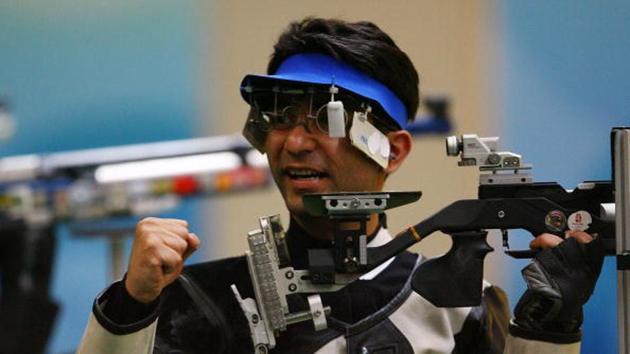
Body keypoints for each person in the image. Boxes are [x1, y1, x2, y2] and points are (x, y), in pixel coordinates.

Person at [77, 18, 604, 354]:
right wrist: (132, 304)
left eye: (327, 121)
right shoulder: (201, 298)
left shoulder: (458, 305)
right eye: (281, 118)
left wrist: (550, 325)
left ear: (392, 151)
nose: (297, 143)